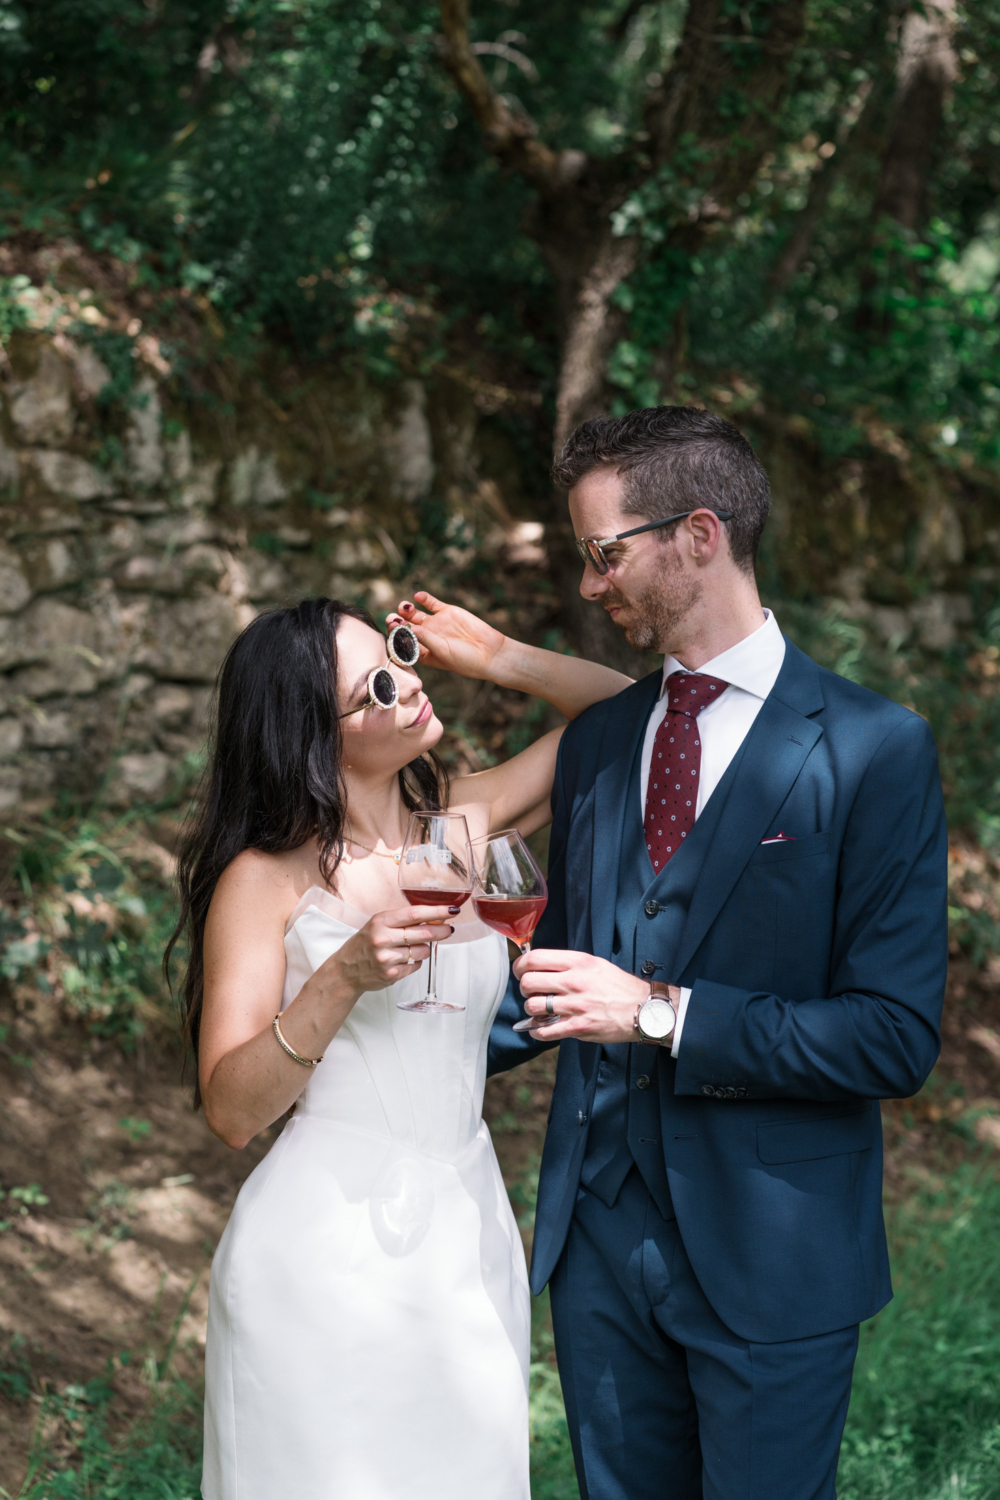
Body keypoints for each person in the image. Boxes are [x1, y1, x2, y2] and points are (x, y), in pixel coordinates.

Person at [475, 405, 949, 1500]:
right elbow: (553, 977)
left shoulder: (875, 748)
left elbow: (892, 1035)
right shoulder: (598, 743)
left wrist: (659, 1011)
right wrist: (366, 1031)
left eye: (604, 554)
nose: (591, 585)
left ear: (698, 534)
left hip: (774, 1257)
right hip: (596, 1251)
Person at [169, 595, 630, 1500]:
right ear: (311, 735)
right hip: (319, 1259)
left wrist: (499, 656)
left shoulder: (463, 826)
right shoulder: (264, 880)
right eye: (375, 686)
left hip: (465, 1235)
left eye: (400, 654)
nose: (407, 685)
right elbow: (230, 1110)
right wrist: (340, 977)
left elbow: (628, 709)